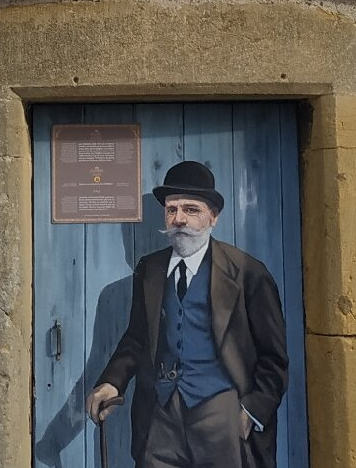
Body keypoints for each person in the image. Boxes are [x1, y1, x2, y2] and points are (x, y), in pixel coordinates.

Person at [86, 160, 288, 468]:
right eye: (172, 209)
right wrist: (112, 382)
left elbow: (274, 358)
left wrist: (250, 412)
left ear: (213, 216)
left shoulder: (248, 273)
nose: (179, 219)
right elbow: (137, 339)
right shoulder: (150, 269)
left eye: (191, 210)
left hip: (222, 416)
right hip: (161, 416)